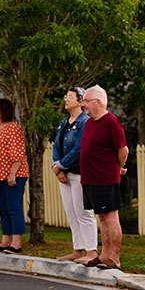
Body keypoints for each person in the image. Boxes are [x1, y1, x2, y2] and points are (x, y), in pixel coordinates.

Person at [80, 85, 128, 270]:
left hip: (105, 178)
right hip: (90, 178)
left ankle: (114, 258)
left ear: (97, 102)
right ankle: (103, 255)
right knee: (101, 217)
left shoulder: (111, 122)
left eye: (86, 101)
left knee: (111, 217)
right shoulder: (90, 122)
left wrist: (118, 167)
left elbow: (123, 149)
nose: (83, 104)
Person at [51, 87, 98, 263]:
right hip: (64, 174)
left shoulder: (85, 122)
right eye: (66, 96)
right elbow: (56, 146)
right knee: (71, 212)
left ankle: (92, 252)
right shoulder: (64, 123)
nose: (66, 99)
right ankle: (77, 249)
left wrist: (61, 165)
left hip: (79, 173)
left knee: (84, 212)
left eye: (70, 97)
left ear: (80, 101)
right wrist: (58, 167)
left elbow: (80, 149)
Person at [0, 99, 29, 254]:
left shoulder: (13, 129)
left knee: (14, 208)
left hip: (13, 175)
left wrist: (12, 174)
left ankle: (16, 243)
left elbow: (18, 155)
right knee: (2, 209)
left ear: (4, 111)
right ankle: (5, 241)